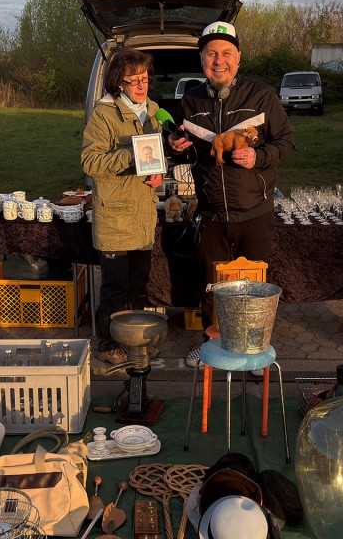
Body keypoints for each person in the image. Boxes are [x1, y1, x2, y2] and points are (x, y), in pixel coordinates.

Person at [169, 21, 295, 366]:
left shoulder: (262, 95)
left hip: (254, 211)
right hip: (210, 211)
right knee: (212, 285)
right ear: (202, 60)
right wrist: (176, 147)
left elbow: (286, 142)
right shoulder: (191, 100)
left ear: (238, 59)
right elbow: (187, 150)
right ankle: (211, 349)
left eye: (226, 53)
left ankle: (253, 352)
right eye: (211, 54)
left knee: (255, 288)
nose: (218, 60)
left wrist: (258, 156)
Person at [81, 48, 165, 365]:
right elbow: (90, 162)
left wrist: (158, 170)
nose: (141, 86)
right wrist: (133, 155)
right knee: (115, 288)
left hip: (143, 215)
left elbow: (156, 155)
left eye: (144, 79)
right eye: (133, 80)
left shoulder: (154, 111)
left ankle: (137, 341)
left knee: (139, 286)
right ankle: (107, 344)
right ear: (119, 82)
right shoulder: (103, 115)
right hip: (115, 217)